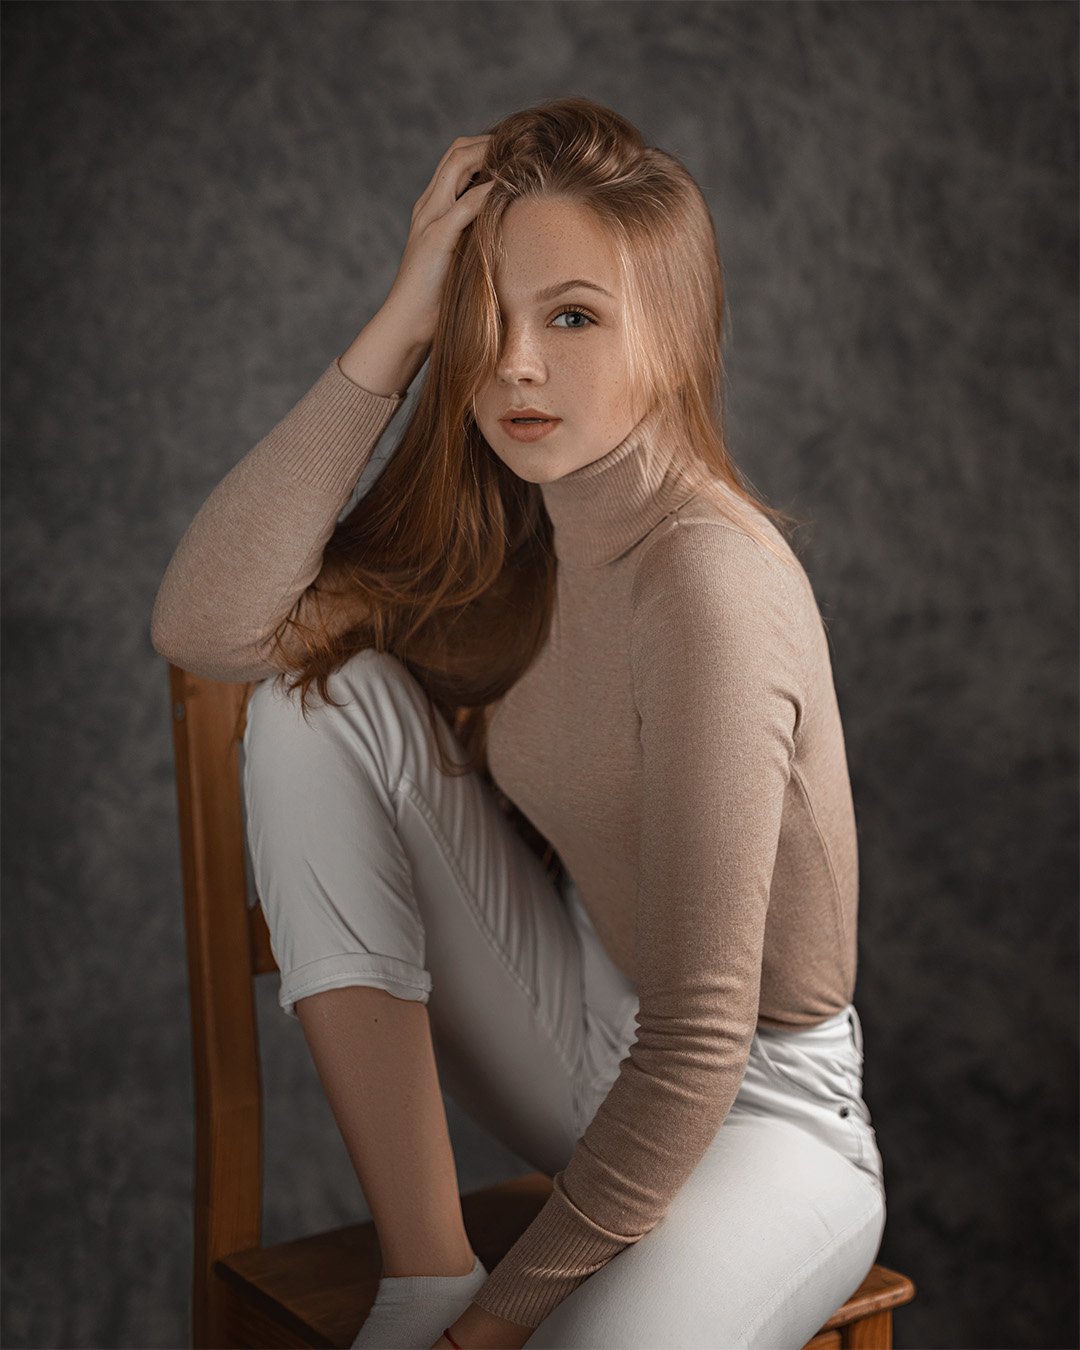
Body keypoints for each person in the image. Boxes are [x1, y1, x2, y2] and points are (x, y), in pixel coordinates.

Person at [151, 96, 887, 1350]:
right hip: (583, 1041)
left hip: (760, 1114)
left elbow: (700, 1043)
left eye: (573, 316)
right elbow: (207, 627)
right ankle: (424, 1266)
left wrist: (490, 1335)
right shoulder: (518, 544)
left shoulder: (710, 582)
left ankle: (468, 1308)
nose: (515, 365)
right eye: (482, 315)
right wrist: (400, 323)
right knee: (316, 705)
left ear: (676, 332)